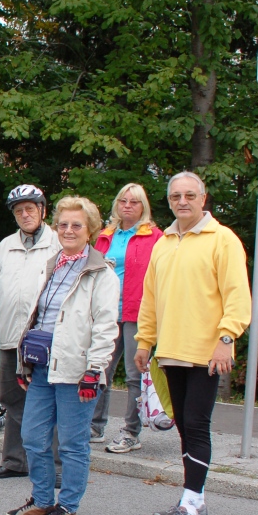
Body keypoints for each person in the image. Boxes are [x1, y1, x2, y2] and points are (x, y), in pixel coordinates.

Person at [134, 172, 250, 515]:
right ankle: (194, 500)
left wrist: (226, 338)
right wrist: (144, 341)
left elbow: (237, 295)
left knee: (196, 425)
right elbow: (150, 298)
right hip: (170, 350)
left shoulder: (222, 239)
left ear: (203, 198)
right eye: (175, 196)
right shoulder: (164, 243)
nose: (182, 202)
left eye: (189, 195)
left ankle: (190, 507)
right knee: (184, 425)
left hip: (206, 353)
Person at [6, 197, 119, 515]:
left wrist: (94, 370)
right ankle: (42, 499)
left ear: (90, 230)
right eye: (63, 224)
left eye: (76, 225)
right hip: (42, 367)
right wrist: (24, 362)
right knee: (32, 436)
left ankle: (68, 505)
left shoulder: (101, 273)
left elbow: (105, 326)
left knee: (71, 444)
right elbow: (38, 317)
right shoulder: (53, 265)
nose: (68, 230)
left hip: (77, 371)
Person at [0, 185, 62, 482]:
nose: (25, 214)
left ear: (42, 210)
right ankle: (15, 460)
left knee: (49, 401)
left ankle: (55, 466)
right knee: (12, 398)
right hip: (10, 336)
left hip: (44, 339)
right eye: (19, 211)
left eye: (30, 208)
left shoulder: (58, 244)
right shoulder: (6, 246)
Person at [91, 183, 163, 451]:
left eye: (134, 201)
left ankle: (131, 432)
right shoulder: (105, 235)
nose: (128, 206)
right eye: (123, 201)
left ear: (144, 206)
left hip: (137, 312)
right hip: (107, 312)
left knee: (135, 375)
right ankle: (95, 426)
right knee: (100, 370)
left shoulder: (155, 237)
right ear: (116, 205)